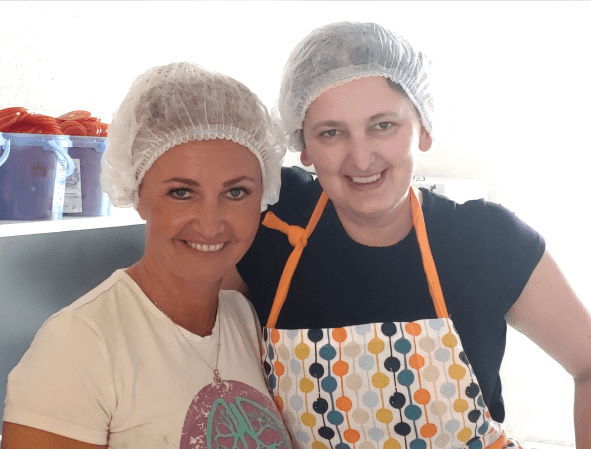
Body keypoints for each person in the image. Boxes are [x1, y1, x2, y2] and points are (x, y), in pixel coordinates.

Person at [231, 22, 591, 449]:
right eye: (331, 132)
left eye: (383, 125)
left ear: (423, 127)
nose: (361, 158)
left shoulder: (486, 241)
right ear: (303, 145)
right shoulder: (270, 226)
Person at [2, 62, 293, 449]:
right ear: (137, 195)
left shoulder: (243, 319)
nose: (210, 223)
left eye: (237, 192)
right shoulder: (80, 344)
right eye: (181, 192)